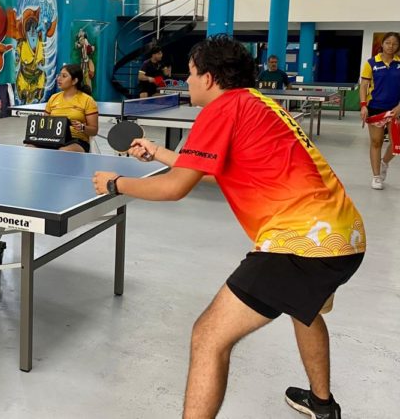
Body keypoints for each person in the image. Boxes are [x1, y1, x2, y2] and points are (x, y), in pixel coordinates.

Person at [93, 36, 365, 419]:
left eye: (191, 74)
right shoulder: (258, 104)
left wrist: (116, 183)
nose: (186, 81)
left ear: (209, 78)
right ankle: (322, 405)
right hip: (343, 235)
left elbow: (174, 189)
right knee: (303, 308)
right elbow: (212, 171)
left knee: (208, 337)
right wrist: (157, 152)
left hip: (299, 243)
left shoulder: (219, 111)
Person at [358, 31, 400, 190]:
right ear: (382, 44)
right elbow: (364, 85)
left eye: (394, 44)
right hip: (375, 108)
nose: (391, 46)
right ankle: (376, 177)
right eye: (388, 43)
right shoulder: (371, 63)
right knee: (376, 142)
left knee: (397, 143)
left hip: (396, 109)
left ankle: (384, 163)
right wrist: (363, 105)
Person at [31, 64, 98, 153]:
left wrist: (82, 127)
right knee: (30, 147)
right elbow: (45, 123)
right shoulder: (53, 98)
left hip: (76, 140)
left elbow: (94, 130)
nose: (59, 79)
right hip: (52, 139)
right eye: (59, 75)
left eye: (64, 76)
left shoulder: (88, 100)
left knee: (62, 151)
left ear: (74, 81)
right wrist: (40, 121)